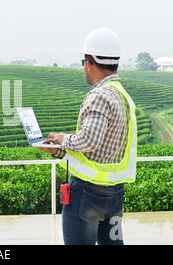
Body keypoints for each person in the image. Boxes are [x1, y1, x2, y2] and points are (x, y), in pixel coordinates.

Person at [37, 27, 137, 245]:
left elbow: (90, 141)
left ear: (90, 63)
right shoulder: (122, 95)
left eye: (84, 62)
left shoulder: (100, 95)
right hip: (114, 193)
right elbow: (102, 148)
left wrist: (62, 139)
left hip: (87, 195)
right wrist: (59, 151)